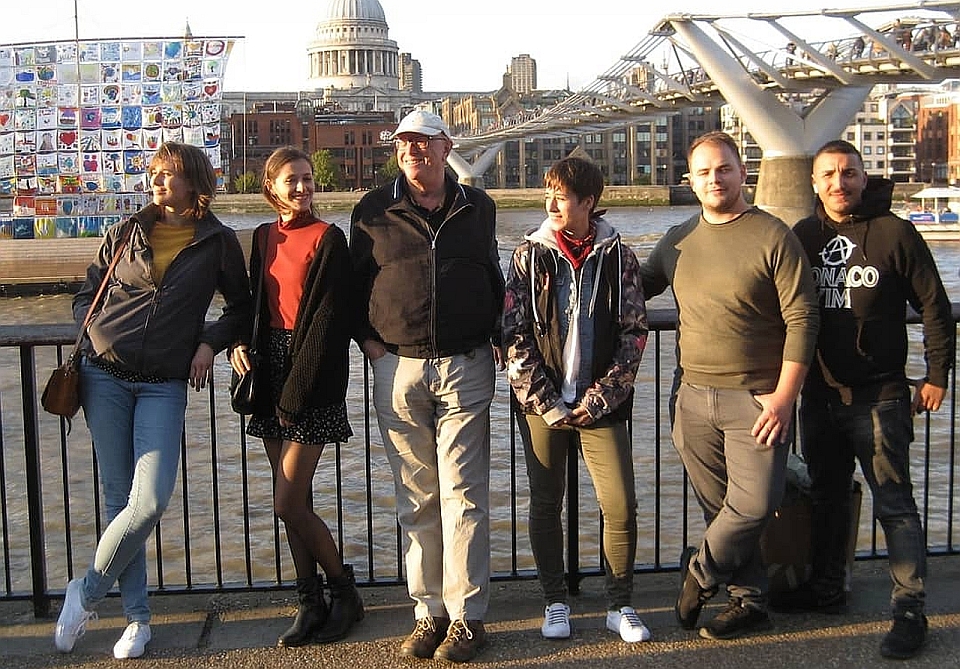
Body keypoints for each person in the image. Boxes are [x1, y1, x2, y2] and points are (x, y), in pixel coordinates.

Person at [54, 141, 251, 659]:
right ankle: (138, 620)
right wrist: (94, 332)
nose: (159, 181)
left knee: (149, 502)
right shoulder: (125, 233)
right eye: (155, 172)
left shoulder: (218, 242)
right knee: (121, 503)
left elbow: (241, 307)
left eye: (170, 173)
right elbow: (86, 295)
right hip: (105, 378)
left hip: (164, 381)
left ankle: (86, 592)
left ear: (194, 182)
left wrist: (209, 343)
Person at [639, 131, 819, 641]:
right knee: (718, 508)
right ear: (690, 181)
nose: (714, 179)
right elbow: (632, 285)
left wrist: (785, 398)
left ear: (744, 173)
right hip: (692, 396)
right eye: (703, 172)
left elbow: (803, 318)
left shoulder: (772, 235)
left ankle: (699, 573)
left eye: (724, 169)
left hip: (759, 398)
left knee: (756, 504)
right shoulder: (677, 240)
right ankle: (749, 601)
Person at [781, 140, 954, 660]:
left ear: (864, 176)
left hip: (880, 393)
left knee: (894, 503)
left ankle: (909, 610)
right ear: (813, 183)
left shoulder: (894, 232)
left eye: (849, 173)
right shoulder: (803, 237)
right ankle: (827, 590)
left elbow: (934, 307)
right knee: (828, 497)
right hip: (818, 394)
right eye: (829, 175)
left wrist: (938, 374)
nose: (840, 183)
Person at [349, 109, 505, 664]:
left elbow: (492, 274)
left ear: (446, 147)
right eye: (405, 144)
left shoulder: (477, 207)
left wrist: (497, 335)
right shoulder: (372, 210)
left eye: (424, 143)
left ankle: (466, 618)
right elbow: (353, 285)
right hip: (398, 366)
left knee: (465, 495)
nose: (414, 152)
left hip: (466, 363)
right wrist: (372, 347)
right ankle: (427, 611)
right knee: (417, 498)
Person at [503, 156, 651, 642]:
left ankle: (619, 603)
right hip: (543, 406)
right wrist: (546, 401)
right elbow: (513, 332)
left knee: (621, 505)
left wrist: (602, 397)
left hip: (599, 406)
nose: (551, 203)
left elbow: (634, 332)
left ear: (589, 202)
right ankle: (554, 601)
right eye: (549, 193)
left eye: (562, 196)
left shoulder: (619, 256)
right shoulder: (528, 254)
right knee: (546, 504)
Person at [229, 146, 361, 647]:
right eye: (292, 180)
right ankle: (310, 603)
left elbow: (327, 322)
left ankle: (344, 593)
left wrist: (293, 396)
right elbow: (253, 305)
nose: (303, 187)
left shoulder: (330, 238)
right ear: (271, 188)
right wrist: (240, 342)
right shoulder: (263, 237)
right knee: (296, 500)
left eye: (308, 178)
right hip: (269, 369)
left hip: (312, 375)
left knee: (286, 502)